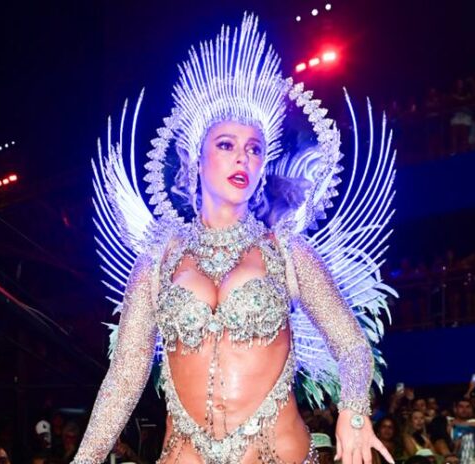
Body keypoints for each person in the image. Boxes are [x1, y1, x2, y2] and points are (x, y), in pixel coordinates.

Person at [72, 13, 396, 464]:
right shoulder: (158, 261)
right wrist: (84, 460)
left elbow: (352, 346)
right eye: (226, 144)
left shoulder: (286, 252)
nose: (242, 158)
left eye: (254, 148)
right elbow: (125, 376)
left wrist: (354, 413)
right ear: (196, 157)